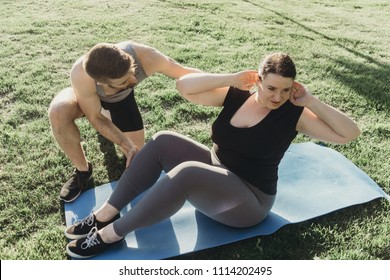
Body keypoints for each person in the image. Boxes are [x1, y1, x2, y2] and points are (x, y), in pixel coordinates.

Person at [64, 52, 361, 258]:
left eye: (285, 91)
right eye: (271, 88)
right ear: (257, 79)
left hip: (248, 201)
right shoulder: (236, 95)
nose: (277, 97)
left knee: (188, 172)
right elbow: (184, 87)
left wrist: (311, 100)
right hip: (217, 174)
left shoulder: (294, 114)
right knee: (164, 140)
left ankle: (111, 235)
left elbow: (349, 134)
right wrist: (230, 78)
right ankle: (103, 216)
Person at [48, 41, 199, 202]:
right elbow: (94, 116)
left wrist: (227, 87)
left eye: (132, 71)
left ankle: (111, 114)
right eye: (124, 81)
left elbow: (186, 73)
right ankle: (83, 171)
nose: (133, 80)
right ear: (101, 83)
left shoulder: (146, 56)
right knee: (58, 112)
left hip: (121, 101)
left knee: (138, 164)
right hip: (88, 100)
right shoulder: (82, 75)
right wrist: (125, 143)